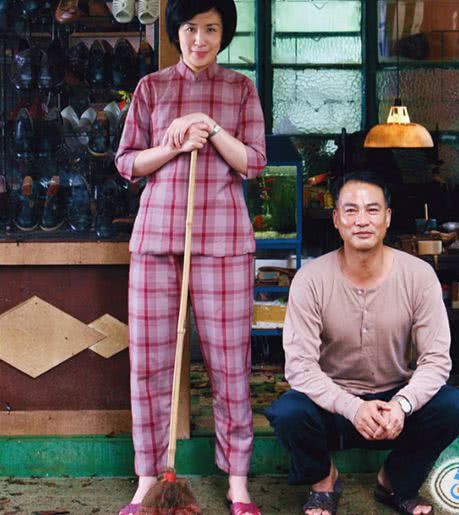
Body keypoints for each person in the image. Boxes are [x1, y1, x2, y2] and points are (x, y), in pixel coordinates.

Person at [114, 1, 266, 514]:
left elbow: (255, 163)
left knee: (230, 365)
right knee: (149, 365)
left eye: (211, 29)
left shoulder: (241, 89)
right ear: (176, 32)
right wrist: (175, 144)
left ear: (224, 35)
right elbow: (127, 163)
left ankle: (238, 482)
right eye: (191, 28)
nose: (200, 39)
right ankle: (147, 480)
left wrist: (210, 127)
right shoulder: (150, 88)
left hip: (224, 240)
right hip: (156, 239)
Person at [265, 171, 459, 515]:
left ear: (387, 217)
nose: (362, 220)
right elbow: (299, 366)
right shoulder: (311, 279)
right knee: (289, 411)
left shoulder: (419, 276)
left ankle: (394, 481)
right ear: (336, 219)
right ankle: (323, 480)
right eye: (351, 210)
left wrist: (402, 404)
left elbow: (436, 360)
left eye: (372, 210)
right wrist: (352, 407)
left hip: (395, 405)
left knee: (451, 406)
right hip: (334, 405)